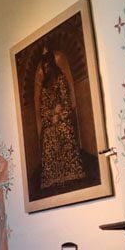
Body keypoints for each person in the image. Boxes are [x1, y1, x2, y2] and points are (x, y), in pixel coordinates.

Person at [36, 48, 85, 188]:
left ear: (51, 64)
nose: (46, 68)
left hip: (63, 119)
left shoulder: (60, 79)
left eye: (47, 65)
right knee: (48, 137)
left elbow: (66, 102)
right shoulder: (44, 87)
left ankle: (71, 174)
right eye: (43, 67)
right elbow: (43, 108)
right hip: (51, 121)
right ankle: (54, 179)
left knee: (65, 131)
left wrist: (60, 114)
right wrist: (52, 116)